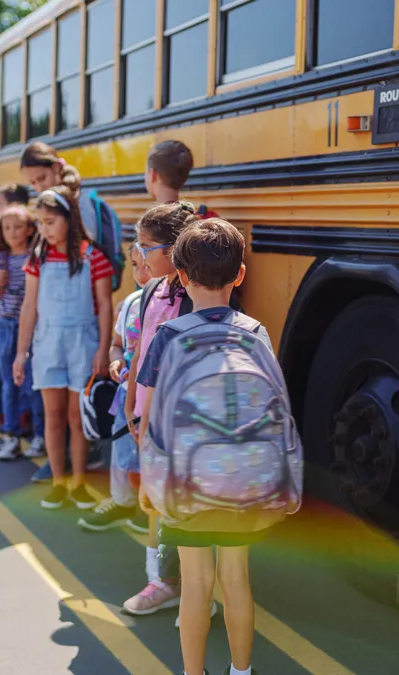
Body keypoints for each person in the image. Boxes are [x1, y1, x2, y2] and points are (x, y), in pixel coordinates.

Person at [136, 218, 271, 675]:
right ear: (240, 275)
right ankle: (241, 671)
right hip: (242, 479)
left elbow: (151, 417)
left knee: (195, 584)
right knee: (237, 580)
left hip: (186, 481)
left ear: (181, 275)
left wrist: (148, 479)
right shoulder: (255, 332)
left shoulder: (169, 336)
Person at [120, 202, 212, 622]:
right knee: (156, 501)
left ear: (174, 250)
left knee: (186, 503)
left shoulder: (197, 295)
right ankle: (163, 581)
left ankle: (198, 590)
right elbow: (140, 350)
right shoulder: (152, 291)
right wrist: (131, 404)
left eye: (146, 247)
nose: (139, 256)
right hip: (148, 413)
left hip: (181, 420)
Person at [13, 186, 114, 511]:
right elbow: (29, 306)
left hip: (82, 345)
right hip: (47, 344)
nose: (44, 229)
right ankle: (58, 481)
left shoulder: (92, 255)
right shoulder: (37, 257)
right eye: (40, 223)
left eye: (50, 222)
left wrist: (103, 348)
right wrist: (21, 351)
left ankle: (79, 482)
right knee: (53, 416)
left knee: (76, 416)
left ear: (69, 220)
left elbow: (104, 304)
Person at [79, 244, 152, 533]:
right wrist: (115, 360)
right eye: (135, 265)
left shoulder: (174, 303)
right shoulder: (131, 303)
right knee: (123, 449)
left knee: (148, 455)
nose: (140, 273)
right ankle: (123, 501)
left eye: (146, 264)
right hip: (127, 393)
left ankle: (148, 509)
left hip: (152, 394)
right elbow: (117, 345)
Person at [0, 205, 46, 460]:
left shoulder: (36, 257)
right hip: (5, 326)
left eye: (18, 227)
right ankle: (11, 435)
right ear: (0, 232)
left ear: (29, 229)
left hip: (33, 327)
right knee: (8, 382)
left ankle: (39, 435)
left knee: (32, 383)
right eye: (7, 228)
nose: (13, 233)